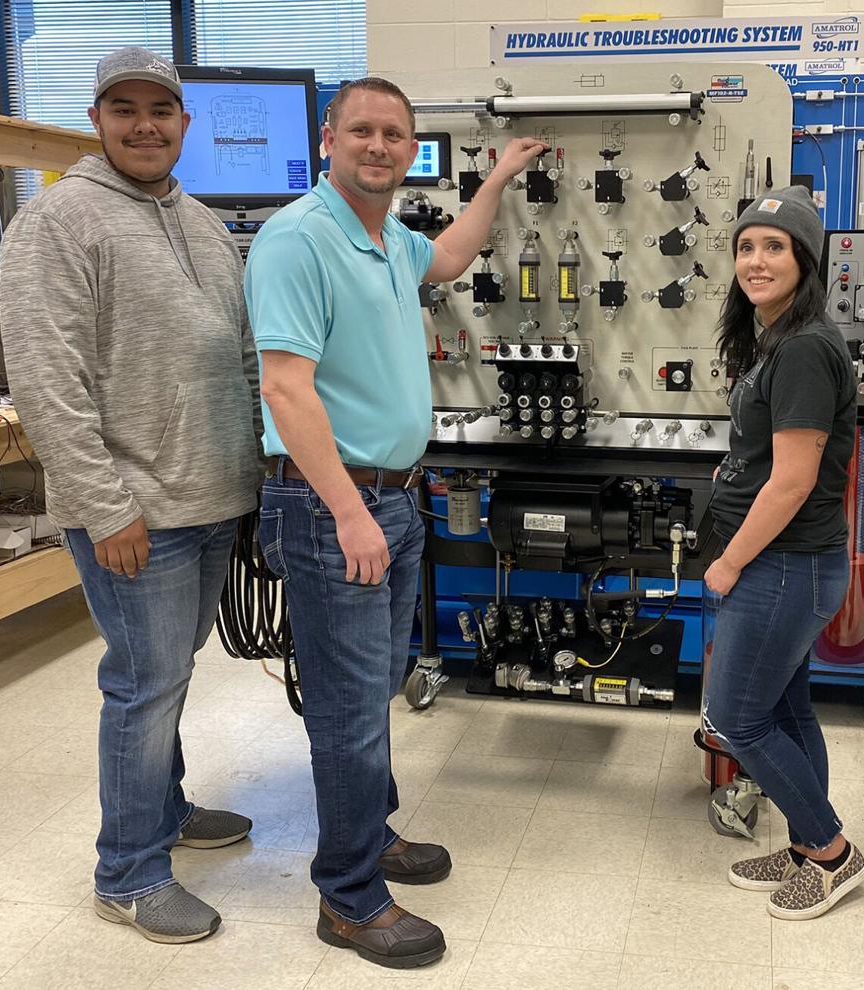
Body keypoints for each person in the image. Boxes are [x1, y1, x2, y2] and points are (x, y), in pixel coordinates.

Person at [243, 76, 544, 969]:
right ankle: (349, 898)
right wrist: (347, 513)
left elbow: (451, 257)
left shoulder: (385, 240)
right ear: (327, 136)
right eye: (362, 130)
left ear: (411, 149)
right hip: (333, 502)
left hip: (392, 498)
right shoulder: (299, 239)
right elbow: (284, 388)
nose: (380, 146)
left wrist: (497, 180)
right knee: (344, 709)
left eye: (396, 135)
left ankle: (369, 836)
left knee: (369, 694)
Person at [0, 48, 261, 943]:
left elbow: (242, 354)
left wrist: (260, 474)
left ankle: (167, 809)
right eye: (125, 109)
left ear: (186, 121)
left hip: (211, 497)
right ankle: (129, 872)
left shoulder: (202, 222)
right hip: (134, 509)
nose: (145, 125)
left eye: (161, 109)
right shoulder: (58, 221)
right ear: (97, 118)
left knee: (170, 671)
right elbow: (46, 378)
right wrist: (104, 507)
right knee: (144, 685)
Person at [702, 189, 864, 921]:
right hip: (790, 566)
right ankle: (806, 845)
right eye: (746, 246)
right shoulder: (776, 337)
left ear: (806, 258)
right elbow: (773, 454)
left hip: (782, 567)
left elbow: (795, 481)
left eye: (775, 247)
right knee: (787, 710)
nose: (756, 261)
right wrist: (734, 469)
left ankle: (831, 853)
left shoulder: (803, 345)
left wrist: (730, 561)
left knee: (737, 718)